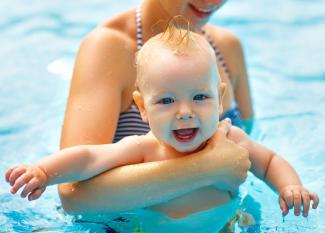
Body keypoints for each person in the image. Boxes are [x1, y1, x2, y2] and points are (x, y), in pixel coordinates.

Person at [6, 26, 318, 225]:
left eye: (199, 97)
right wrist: (44, 173)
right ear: (142, 107)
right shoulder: (142, 149)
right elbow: (88, 158)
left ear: (220, 98)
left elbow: (270, 161)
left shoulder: (230, 138)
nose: (184, 112)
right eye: (166, 101)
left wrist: (290, 186)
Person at [57, 0, 253, 215]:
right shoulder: (110, 46)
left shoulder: (226, 46)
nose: (213, 2)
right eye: (166, 101)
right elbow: (73, 195)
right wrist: (206, 168)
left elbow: (250, 143)